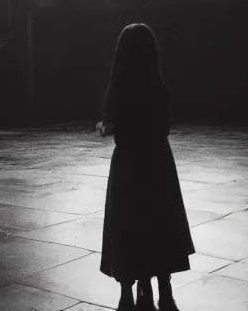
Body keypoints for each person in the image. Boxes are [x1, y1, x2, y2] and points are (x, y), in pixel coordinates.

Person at [96, 23, 194, 311]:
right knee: (159, 221)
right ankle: (164, 290)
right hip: (157, 162)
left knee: (127, 223)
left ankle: (129, 293)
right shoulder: (161, 91)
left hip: (128, 163)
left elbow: (113, 125)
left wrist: (105, 126)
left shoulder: (117, 92)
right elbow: (162, 126)